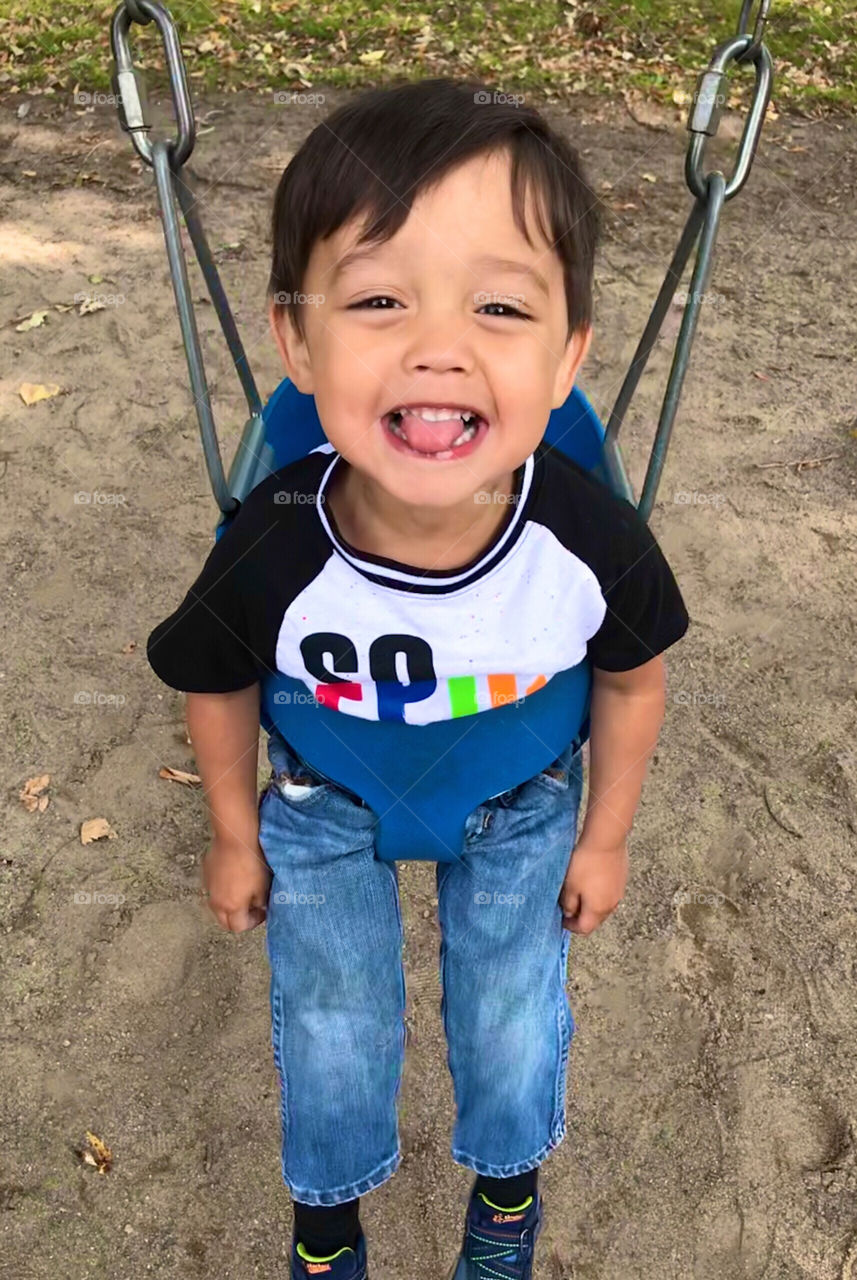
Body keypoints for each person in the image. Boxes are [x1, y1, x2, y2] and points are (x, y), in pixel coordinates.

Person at [146, 77, 690, 1280]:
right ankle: (326, 1230)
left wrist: (605, 837)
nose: (437, 346)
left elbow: (634, 680)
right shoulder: (273, 540)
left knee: (509, 1023)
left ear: (566, 358)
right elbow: (218, 681)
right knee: (335, 1032)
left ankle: (503, 1204)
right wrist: (231, 832)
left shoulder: (589, 540)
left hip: (522, 797)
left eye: (500, 305)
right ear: (296, 343)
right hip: (320, 796)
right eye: (380, 298)